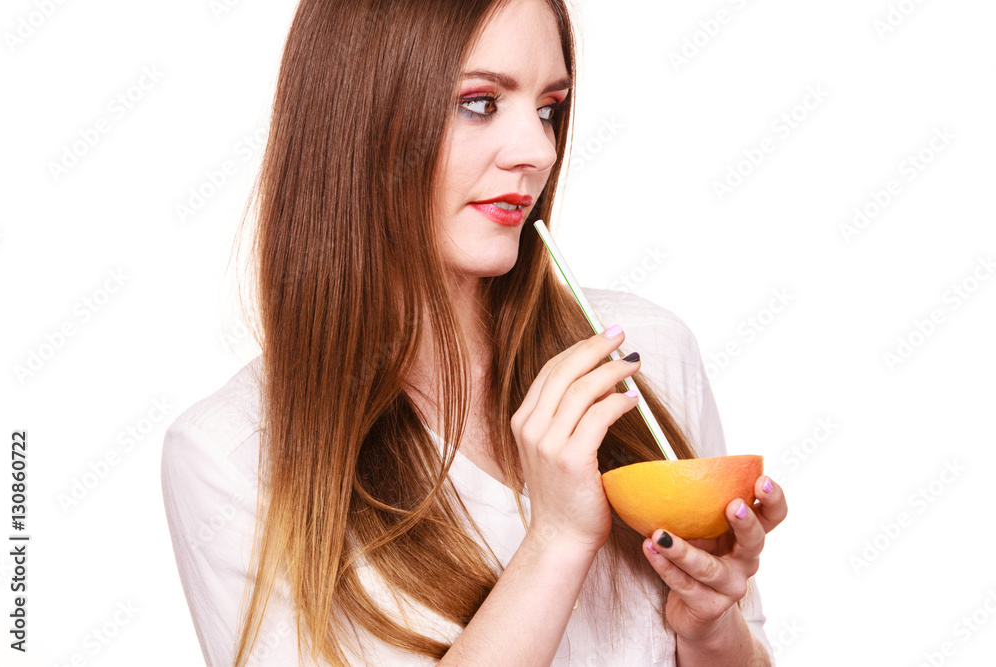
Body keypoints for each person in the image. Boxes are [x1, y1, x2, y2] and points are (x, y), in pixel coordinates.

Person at [160, 0, 789, 665]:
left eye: (549, 108)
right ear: (358, 120)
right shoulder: (232, 455)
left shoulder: (645, 353)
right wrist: (555, 541)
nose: (538, 151)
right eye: (480, 103)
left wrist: (711, 629)